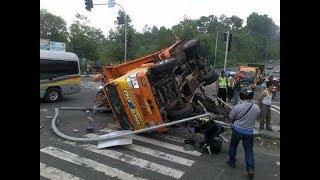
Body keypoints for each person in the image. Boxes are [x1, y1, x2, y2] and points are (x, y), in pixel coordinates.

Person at [226, 88, 261, 179]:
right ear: (251, 96)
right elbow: (258, 117)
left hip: (237, 130)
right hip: (249, 132)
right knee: (249, 151)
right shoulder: (257, 107)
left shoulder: (238, 106)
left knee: (233, 146)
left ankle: (232, 162)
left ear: (241, 96)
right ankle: (250, 169)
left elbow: (231, 117)